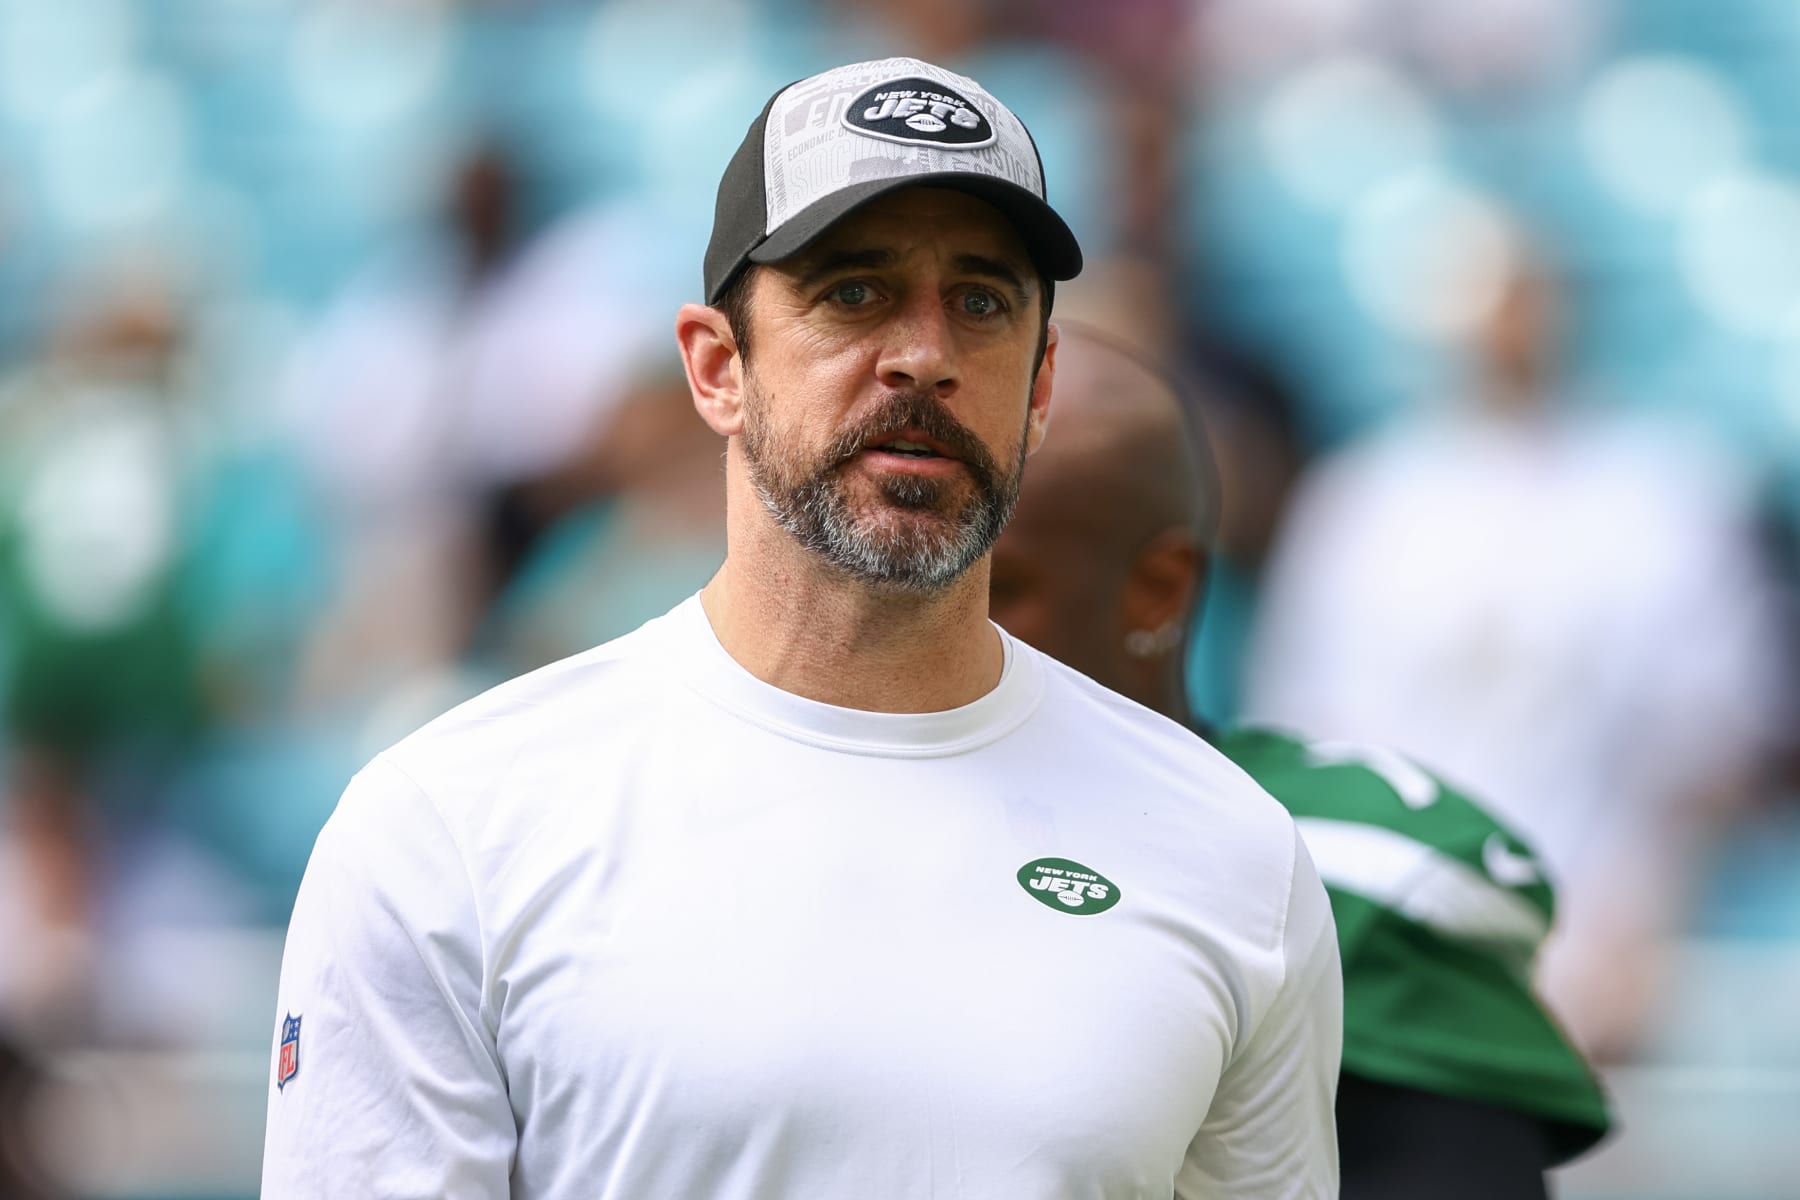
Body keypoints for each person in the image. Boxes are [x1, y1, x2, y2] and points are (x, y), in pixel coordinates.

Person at [260, 57, 1341, 1199]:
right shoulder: (452, 831)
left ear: (1038, 385)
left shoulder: (1232, 857)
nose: (925, 354)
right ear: (717, 368)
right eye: (853, 292)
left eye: (981, 300)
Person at [987, 325, 1612, 1199]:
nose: (929, 614)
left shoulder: (1350, 869)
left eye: (992, 585)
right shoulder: (786, 810)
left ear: (1157, 588)